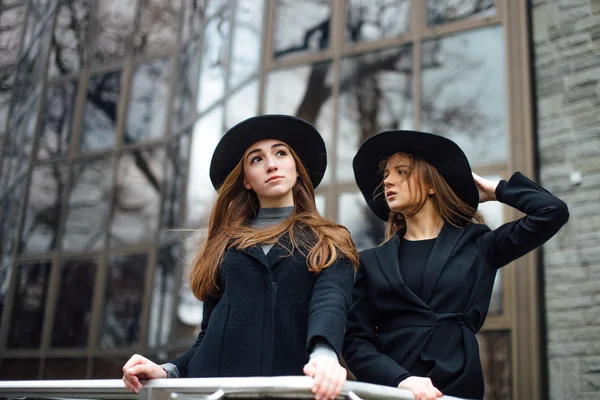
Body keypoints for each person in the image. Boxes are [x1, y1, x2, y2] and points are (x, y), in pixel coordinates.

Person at [121, 115, 358, 400]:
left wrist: (325, 355)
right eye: (256, 159)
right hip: (216, 391)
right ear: (246, 180)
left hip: (293, 389)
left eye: (281, 153)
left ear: (297, 169)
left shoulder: (329, 240)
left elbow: (330, 302)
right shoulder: (223, 246)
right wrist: (168, 370)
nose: (271, 164)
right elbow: (208, 335)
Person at [342, 130, 569, 400]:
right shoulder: (370, 261)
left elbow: (552, 212)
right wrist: (401, 380)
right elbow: (355, 341)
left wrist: (498, 190)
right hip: (391, 388)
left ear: (432, 185)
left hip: (457, 384)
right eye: (386, 174)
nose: (388, 180)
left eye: (401, 171)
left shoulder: (479, 244)